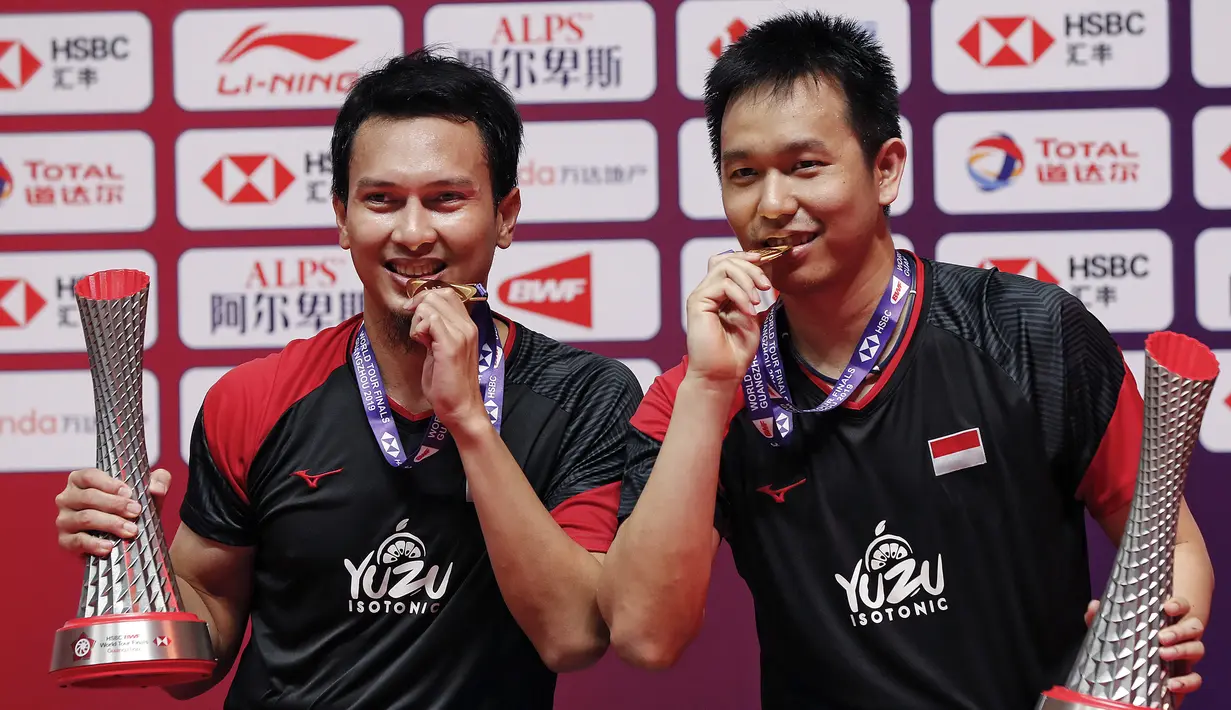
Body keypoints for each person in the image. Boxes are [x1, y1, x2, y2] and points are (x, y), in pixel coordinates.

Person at [598, 11, 1213, 710]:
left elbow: (1173, 547)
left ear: (885, 169)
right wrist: (710, 387)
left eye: (804, 166)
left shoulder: (1031, 335)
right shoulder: (695, 396)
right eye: (744, 174)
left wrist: (1148, 640)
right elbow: (645, 636)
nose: (772, 204)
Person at [53, 49, 643, 709]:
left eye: (447, 199)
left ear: (505, 215)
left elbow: (572, 637)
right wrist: (139, 565)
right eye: (382, 201)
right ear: (342, 217)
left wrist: (469, 423)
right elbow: (198, 655)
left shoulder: (584, 396)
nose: (414, 232)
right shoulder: (253, 398)